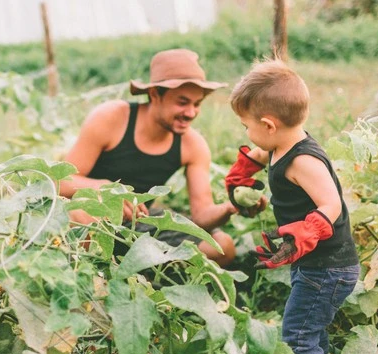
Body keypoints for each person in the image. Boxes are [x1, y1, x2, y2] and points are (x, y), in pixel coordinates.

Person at [224, 59, 359, 354]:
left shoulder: (303, 161)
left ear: (268, 124)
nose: (247, 134)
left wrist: (303, 232)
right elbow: (258, 151)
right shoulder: (279, 143)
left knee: (297, 337)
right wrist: (241, 175)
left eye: (245, 126)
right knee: (310, 331)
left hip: (328, 267)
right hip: (315, 265)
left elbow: (332, 205)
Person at [59, 49, 241, 267]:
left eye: (197, 104)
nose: (191, 112)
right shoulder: (112, 118)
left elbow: (201, 217)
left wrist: (230, 207)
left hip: (139, 223)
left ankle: (138, 272)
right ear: (155, 94)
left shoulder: (192, 144)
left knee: (222, 247)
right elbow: (59, 181)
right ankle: (104, 274)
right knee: (79, 216)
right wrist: (107, 190)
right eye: (182, 102)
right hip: (93, 215)